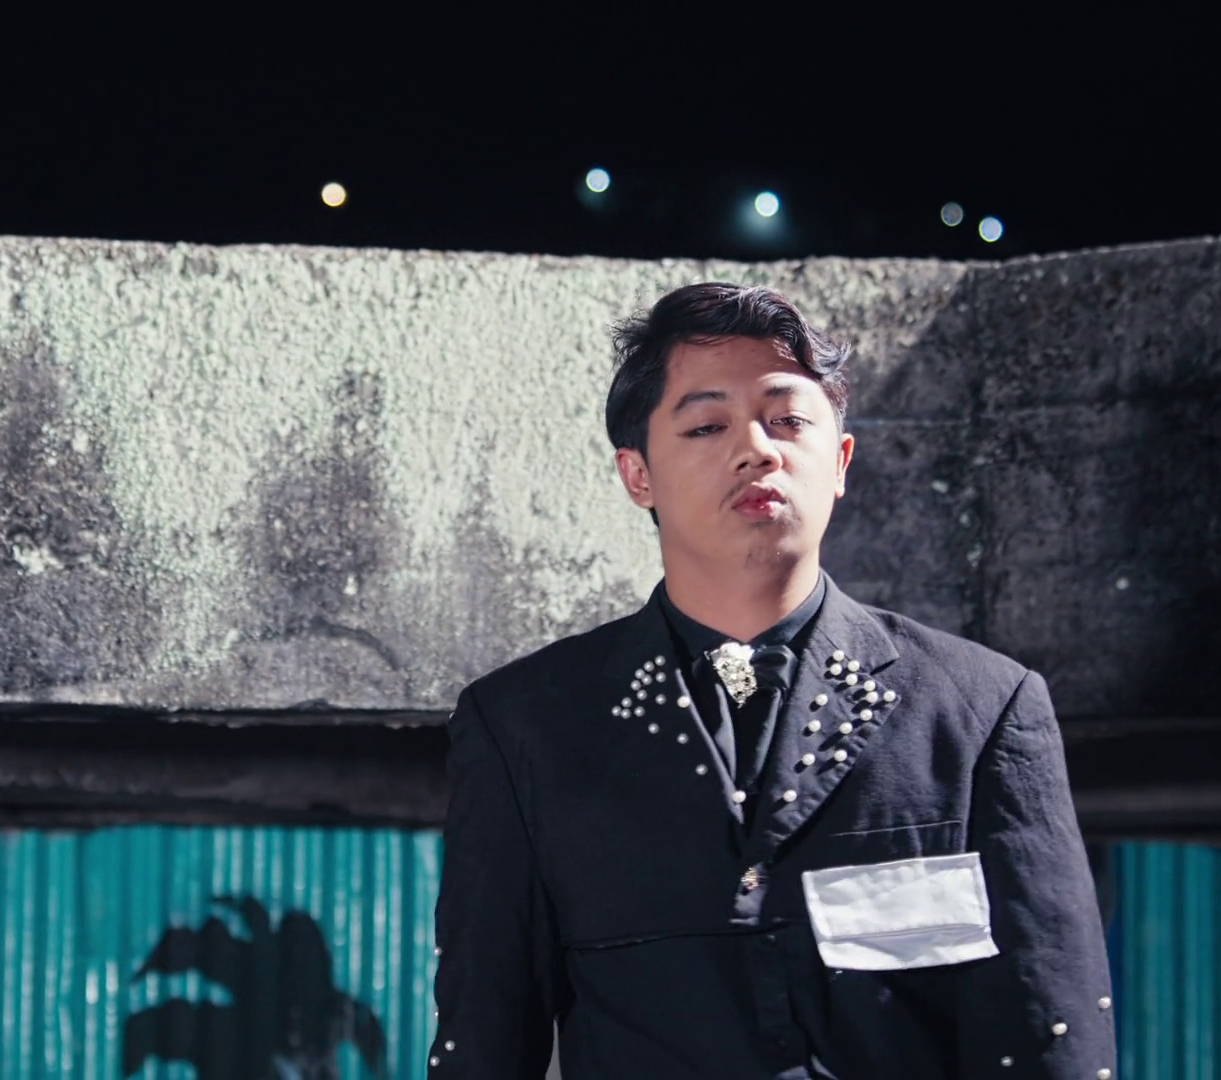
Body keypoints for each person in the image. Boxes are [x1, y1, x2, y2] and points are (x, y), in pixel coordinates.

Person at [426, 283, 1115, 1078]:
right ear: (637, 475)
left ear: (841, 462)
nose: (757, 450)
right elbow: (483, 1040)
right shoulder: (526, 723)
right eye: (706, 426)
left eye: (787, 420)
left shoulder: (980, 708)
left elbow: (1047, 1030)